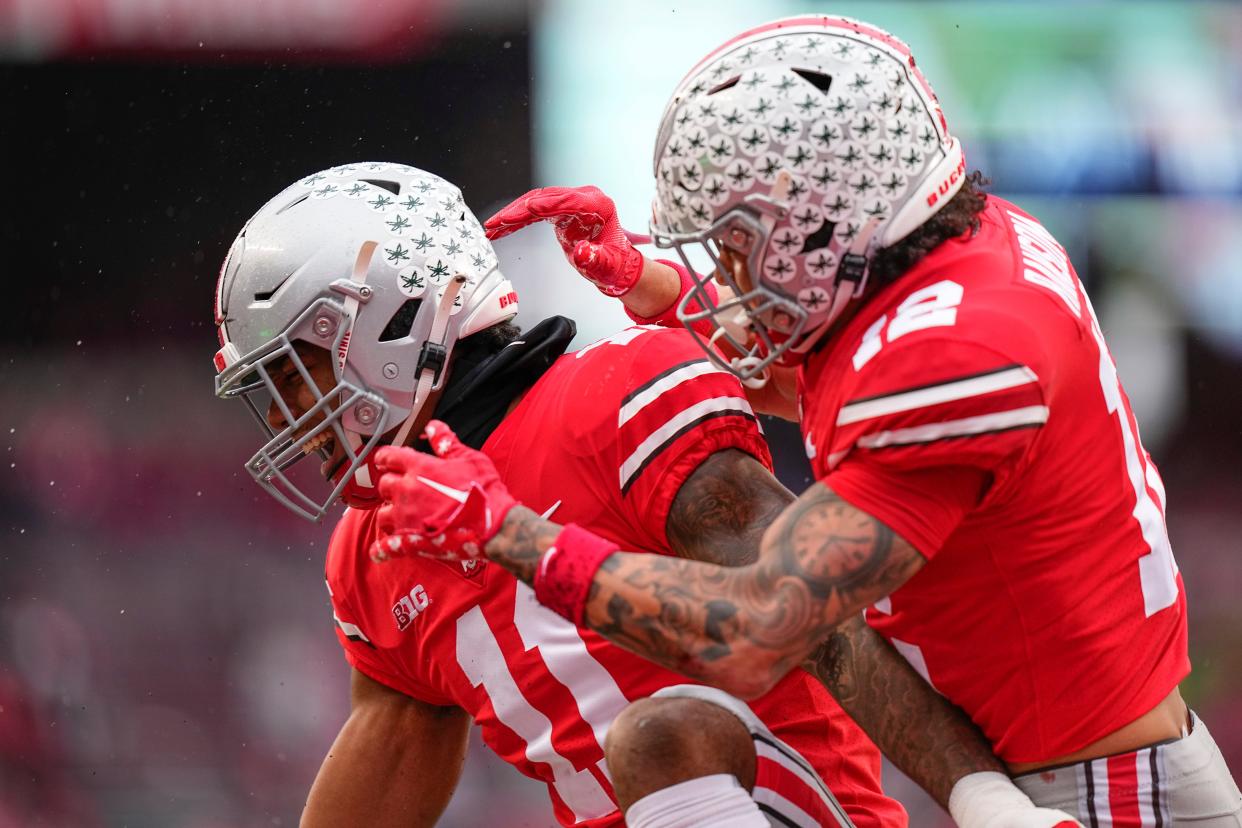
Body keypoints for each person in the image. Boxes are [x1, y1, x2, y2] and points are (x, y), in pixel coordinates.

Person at [369, 15, 1242, 826]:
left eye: (736, 242)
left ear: (820, 223)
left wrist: (515, 537)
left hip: (1107, 797)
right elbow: (815, 383)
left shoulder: (949, 361)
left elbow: (758, 629)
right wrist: (652, 283)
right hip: (1082, 774)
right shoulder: (967, 261)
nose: (729, 266)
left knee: (666, 735)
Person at [213, 161, 1068, 827]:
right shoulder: (374, 547)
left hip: (797, 808)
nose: (293, 416)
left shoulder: (615, 395)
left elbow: (812, 623)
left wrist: (978, 798)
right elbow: (396, 737)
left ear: (390, 322)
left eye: (299, 372)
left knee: (662, 734)